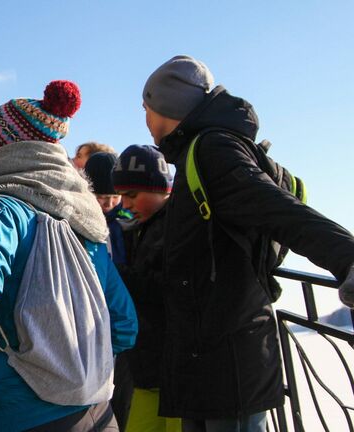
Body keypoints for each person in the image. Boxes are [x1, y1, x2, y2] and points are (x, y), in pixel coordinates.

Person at [141, 55, 354, 431]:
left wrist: (346, 257)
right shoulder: (196, 152)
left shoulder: (212, 150)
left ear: (166, 106)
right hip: (206, 357)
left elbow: (276, 209)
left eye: (147, 108)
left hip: (229, 363)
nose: (145, 119)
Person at [0, 80, 137, 432]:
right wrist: (76, 362)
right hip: (96, 412)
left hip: (14, 413)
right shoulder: (84, 223)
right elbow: (124, 324)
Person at [111, 145, 181, 432]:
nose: (124, 205)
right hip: (147, 369)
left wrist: (116, 274)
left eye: (132, 195)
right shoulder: (139, 225)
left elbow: (172, 288)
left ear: (161, 188)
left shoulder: (179, 226)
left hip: (176, 373)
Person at [84, 150, 135, 432]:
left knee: (123, 393)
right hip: (93, 316)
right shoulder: (80, 222)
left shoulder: (127, 220)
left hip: (121, 313)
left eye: (113, 198)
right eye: (102, 199)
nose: (108, 204)